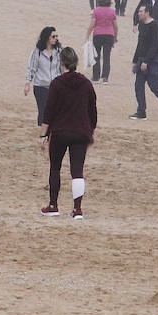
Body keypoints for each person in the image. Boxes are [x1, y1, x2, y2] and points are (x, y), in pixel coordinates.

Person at [38, 47, 96, 220]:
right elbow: (92, 111)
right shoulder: (86, 83)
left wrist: (43, 135)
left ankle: (53, 205)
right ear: (76, 62)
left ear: (61, 62)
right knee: (77, 171)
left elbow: (48, 112)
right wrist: (90, 131)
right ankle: (77, 209)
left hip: (60, 131)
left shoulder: (57, 83)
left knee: (55, 167)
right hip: (80, 132)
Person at [128, 3, 158, 122]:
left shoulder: (154, 25)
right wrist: (135, 60)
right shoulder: (141, 24)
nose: (139, 13)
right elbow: (140, 44)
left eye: (141, 11)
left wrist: (146, 61)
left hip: (153, 60)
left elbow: (155, 45)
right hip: (142, 59)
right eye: (139, 11)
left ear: (147, 13)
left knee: (154, 86)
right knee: (138, 85)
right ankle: (141, 112)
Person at [25, 26, 62, 126]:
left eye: (56, 36)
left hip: (55, 87)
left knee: (56, 111)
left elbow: (62, 68)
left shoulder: (59, 51)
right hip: (41, 87)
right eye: (53, 36)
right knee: (44, 111)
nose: (55, 38)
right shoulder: (37, 52)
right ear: (46, 37)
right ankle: (42, 133)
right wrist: (27, 83)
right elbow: (31, 68)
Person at [86, 0, 117, 84]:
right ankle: (105, 78)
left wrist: (87, 35)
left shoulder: (96, 11)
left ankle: (95, 77)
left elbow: (92, 25)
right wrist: (115, 36)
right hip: (109, 35)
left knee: (96, 56)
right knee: (107, 56)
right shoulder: (112, 11)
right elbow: (115, 26)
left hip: (98, 34)